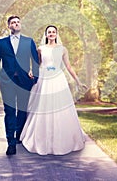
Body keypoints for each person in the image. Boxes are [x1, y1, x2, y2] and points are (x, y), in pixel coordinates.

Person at [20, 25, 86, 155]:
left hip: (58, 79)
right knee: (43, 106)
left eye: (53, 32)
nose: (51, 34)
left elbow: (68, 66)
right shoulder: (41, 49)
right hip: (44, 79)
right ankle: (40, 139)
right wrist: (31, 71)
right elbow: (37, 64)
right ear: (46, 34)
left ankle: (63, 140)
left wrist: (78, 81)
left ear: (56, 34)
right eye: (49, 32)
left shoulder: (62, 49)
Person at [0, 15, 39, 155]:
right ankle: (10, 143)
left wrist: (34, 78)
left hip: (24, 81)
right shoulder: (2, 43)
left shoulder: (28, 41)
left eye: (18, 22)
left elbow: (35, 61)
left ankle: (19, 136)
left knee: (23, 110)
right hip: (7, 82)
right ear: (9, 26)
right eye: (13, 22)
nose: (16, 24)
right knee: (9, 111)